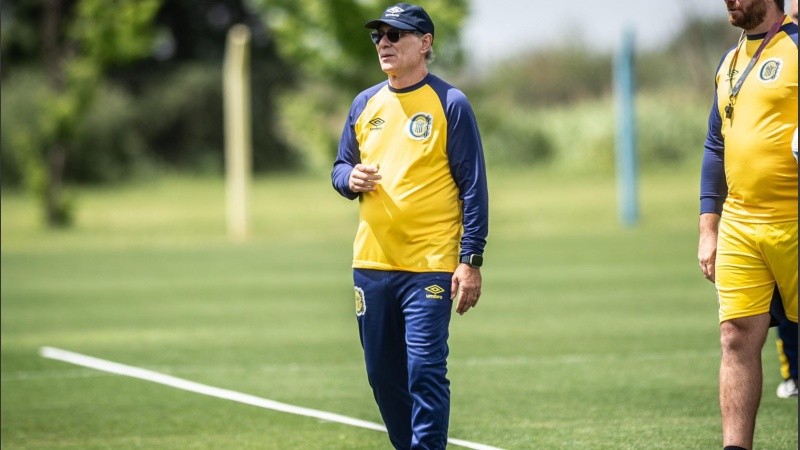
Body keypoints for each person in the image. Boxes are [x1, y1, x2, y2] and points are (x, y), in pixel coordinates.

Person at [331, 3, 488, 449]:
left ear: (425, 43)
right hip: (372, 263)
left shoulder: (449, 103)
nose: (384, 43)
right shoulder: (365, 103)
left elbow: (473, 187)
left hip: (430, 265)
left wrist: (470, 260)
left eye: (396, 34)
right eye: (378, 35)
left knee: (424, 369)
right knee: (383, 376)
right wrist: (349, 178)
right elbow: (341, 166)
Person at [697, 0, 798, 449]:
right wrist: (708, 225)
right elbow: (714, 146)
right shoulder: (730, 59)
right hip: (740, 221)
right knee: (735, 338)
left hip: (792, 221)